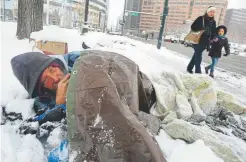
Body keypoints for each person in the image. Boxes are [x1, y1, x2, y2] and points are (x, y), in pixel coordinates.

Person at [11, 50, 165, 162]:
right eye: (46, 81)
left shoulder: (76, 62)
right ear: (41, 89)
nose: (55, 77)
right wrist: (60, 105)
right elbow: (33, 125)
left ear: (55, 63)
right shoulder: (44, 101)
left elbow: (110, 65)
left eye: (52, 69)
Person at [187, 6, 217, 74]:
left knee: (196, 55)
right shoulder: (201, 18)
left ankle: (189, 68)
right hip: (197, 40)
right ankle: (198, 72)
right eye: (211, 11)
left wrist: (212, 37)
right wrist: (201, 29)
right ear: (207, 11)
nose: (212, 13)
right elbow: (193, 27)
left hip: (205, 42)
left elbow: (213, 32)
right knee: (198, 56)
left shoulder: (213, 22)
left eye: (213, 12)